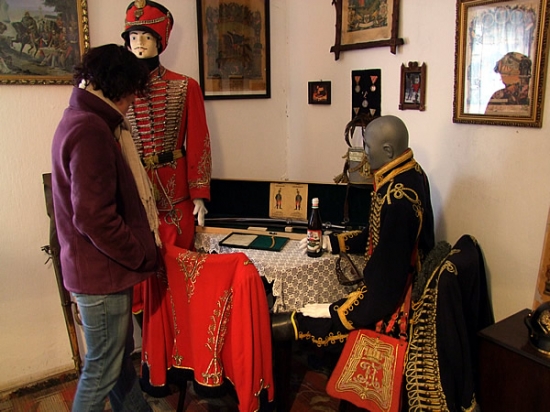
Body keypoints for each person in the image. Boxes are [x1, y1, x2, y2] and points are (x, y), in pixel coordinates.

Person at [51, 44, 159, 412]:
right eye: (132, 92)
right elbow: (93, 217)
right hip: (101, 276)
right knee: (101, 371)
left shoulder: (79, 117)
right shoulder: (91, 130)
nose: (133, 101)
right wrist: (139, 253)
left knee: (115, 365)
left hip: (95, 272)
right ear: (120, 86)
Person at [272, 115, 435, 345]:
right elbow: (377, 234)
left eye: (367, 146)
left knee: (298, 322)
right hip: (386, 284)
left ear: (388, 151)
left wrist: (335, 310)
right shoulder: (409, 172)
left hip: (397, 303)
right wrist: (333, 242)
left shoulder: (398, 199)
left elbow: (387, 286)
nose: (364, 153)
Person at [121, 0, 212, 318]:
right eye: (133, 37)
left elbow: (198, 141)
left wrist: (199, 193)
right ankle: (148, 341)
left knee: (178, 271)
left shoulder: (185, 86)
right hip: (133, 193)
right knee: (138, 278)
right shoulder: (117, 90)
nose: (139, 43)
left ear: (160, 41)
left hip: (176, 196)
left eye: (146, 37)